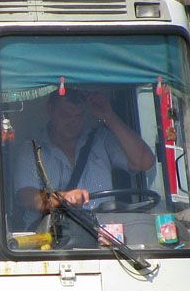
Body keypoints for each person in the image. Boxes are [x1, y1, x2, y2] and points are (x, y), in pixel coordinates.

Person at [14, 89, 155, 216]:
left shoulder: (100, 140)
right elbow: (27, 197)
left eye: (79, 115)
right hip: (57, 239)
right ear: (50, 110)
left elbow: (145, 162)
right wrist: (64, 198)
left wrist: (108, 115)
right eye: (66, 114)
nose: (73, 121)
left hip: (106, 237)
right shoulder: (32, 150)